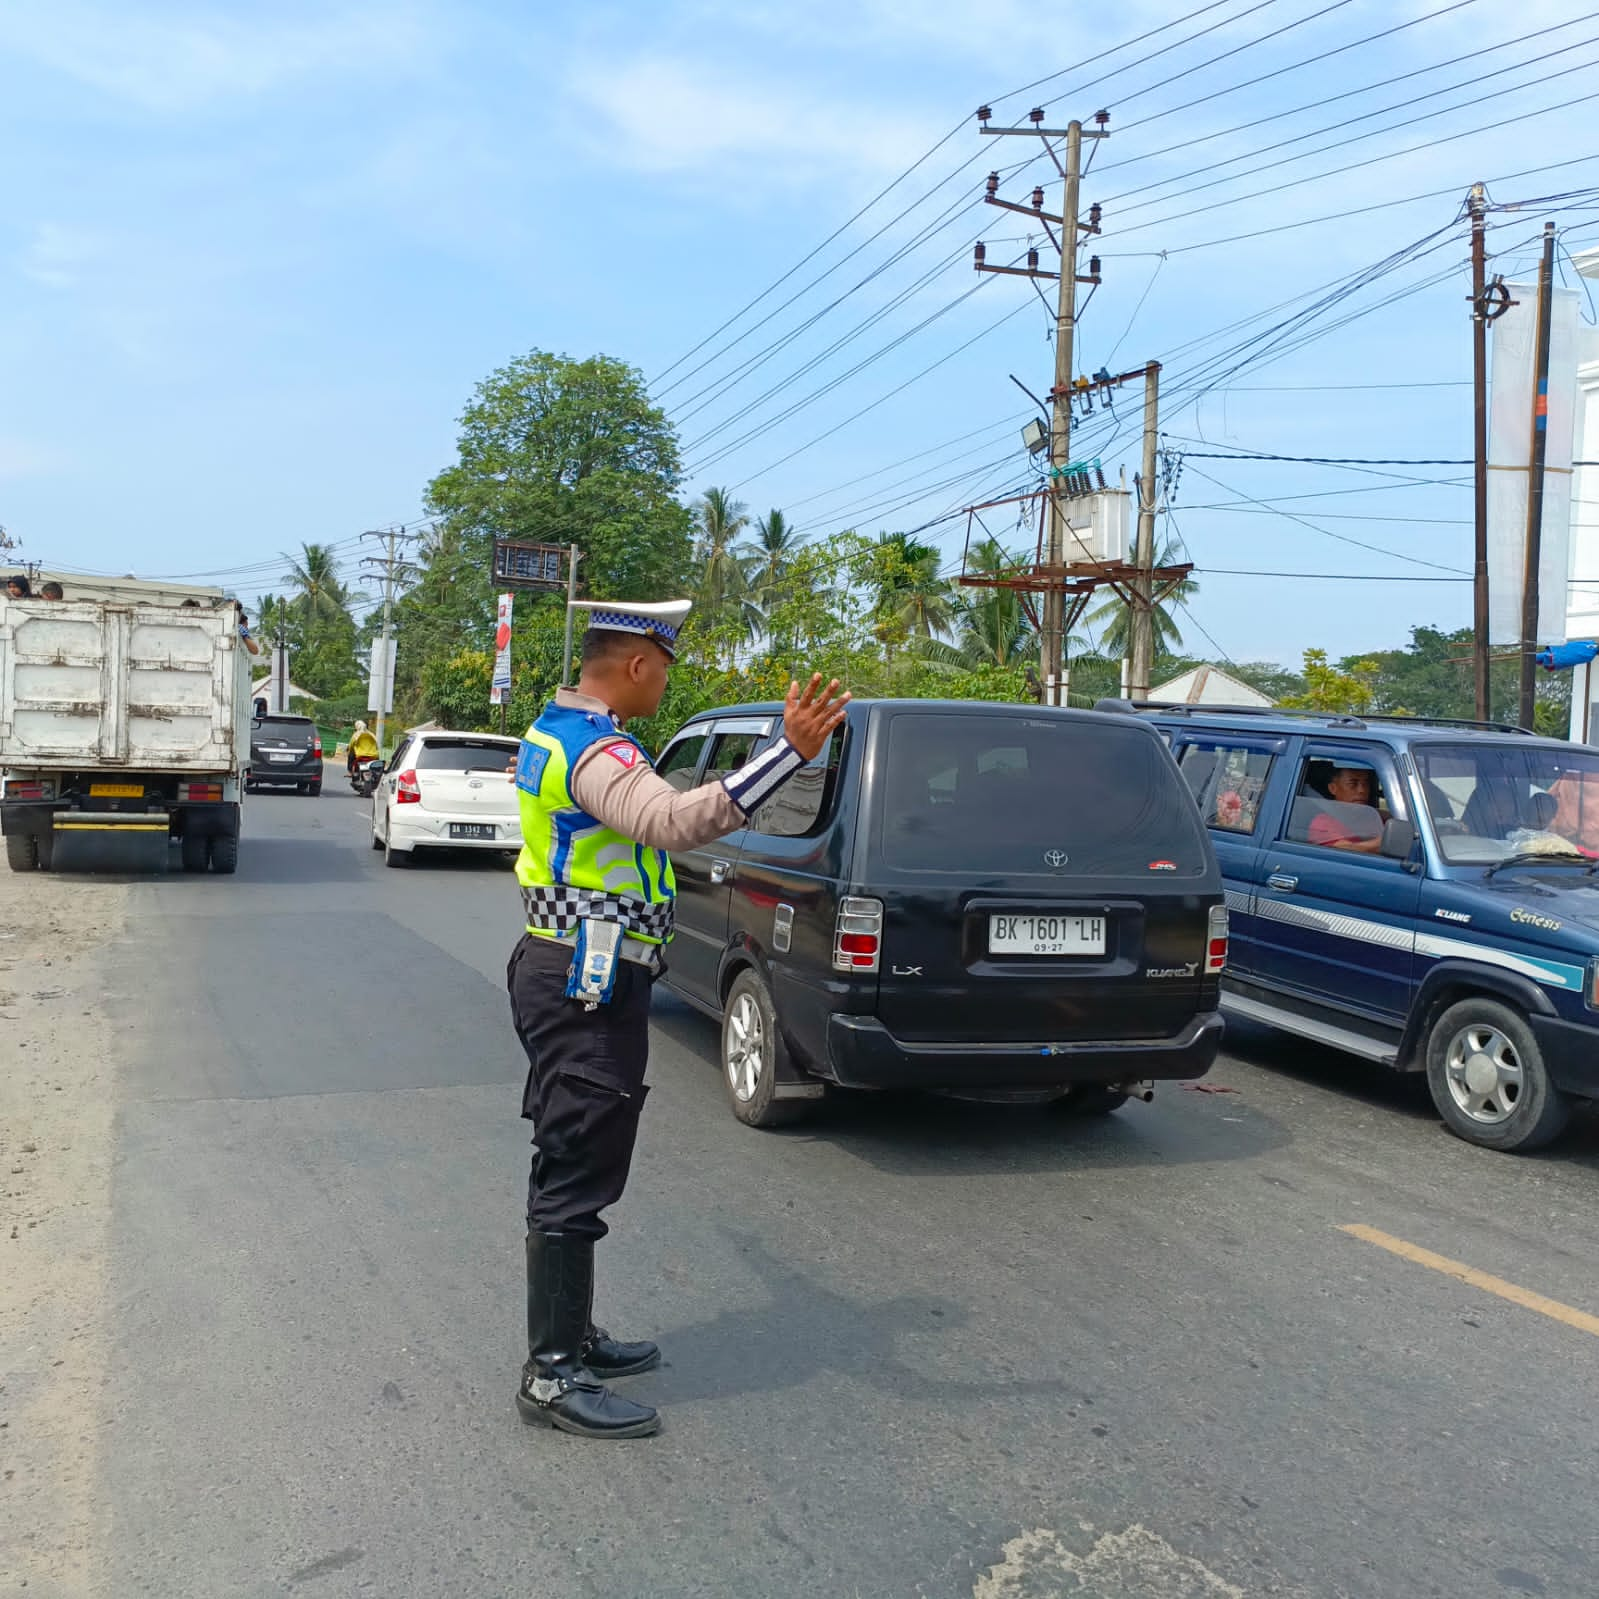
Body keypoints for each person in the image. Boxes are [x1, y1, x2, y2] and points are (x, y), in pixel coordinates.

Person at [508, 597, 848, 1440]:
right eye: (663, 665)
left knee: (581, 1147)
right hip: (581, 984)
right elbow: (666, 820)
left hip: (584, 974)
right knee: (575, 1159)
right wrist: (787, 755)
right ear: (633, 665)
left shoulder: (555, 730)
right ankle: (551, 1374)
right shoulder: (593, 749)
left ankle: (572, 1335)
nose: (668, 678)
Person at [1308, 765, 1384, 854]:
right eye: (1353, 784)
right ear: (1333, 788)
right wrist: (1383, 842)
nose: (1362, 790)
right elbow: (1344, 851)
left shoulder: (1371, 816)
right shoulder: (1323, 823)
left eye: (1365, 784)